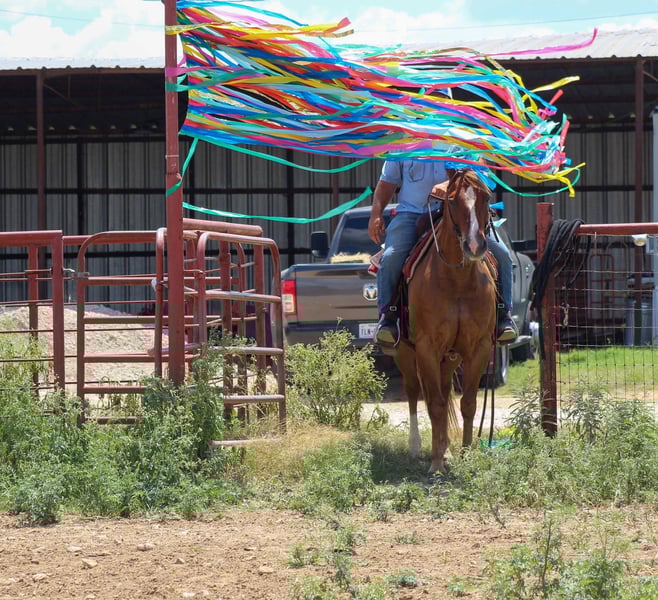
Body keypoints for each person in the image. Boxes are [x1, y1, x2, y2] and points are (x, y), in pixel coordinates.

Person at [367, 158, 518, 347]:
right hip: (411, 214)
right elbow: (387, 182)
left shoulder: (461, 143)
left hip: (459, 212)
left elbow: (479, 172)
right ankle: (388, 318)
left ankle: (504, 315)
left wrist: (449, 184)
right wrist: (376, 213)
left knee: (502, 255)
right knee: (391, 257)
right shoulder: (402, 147)